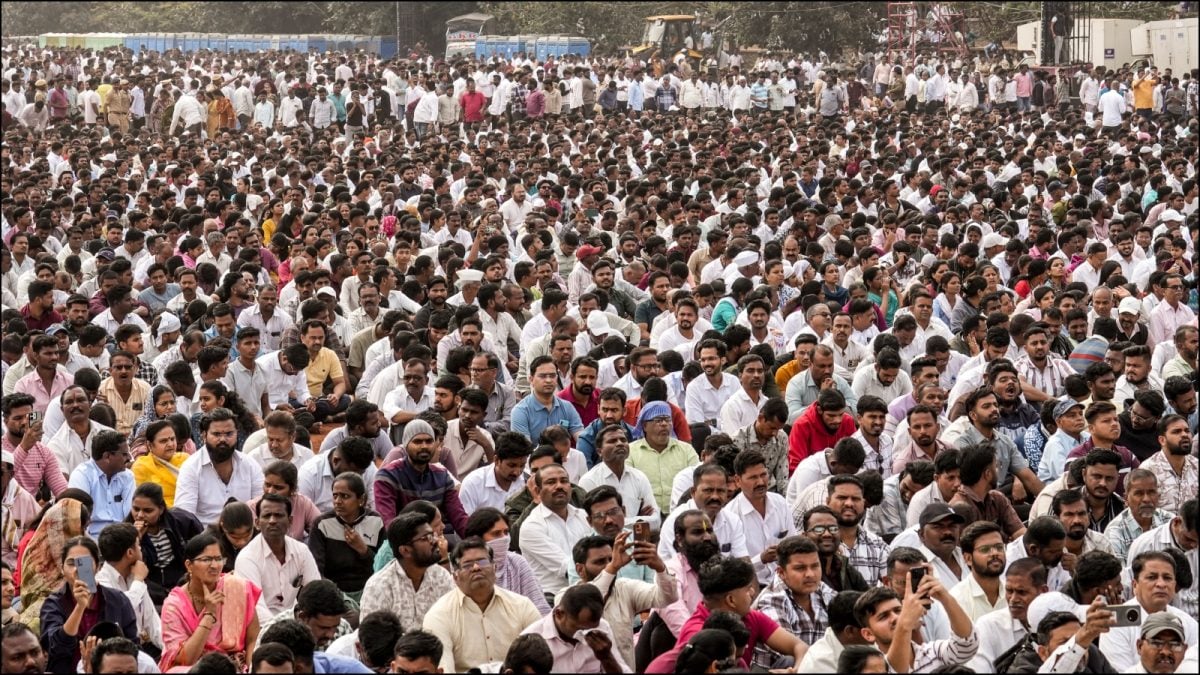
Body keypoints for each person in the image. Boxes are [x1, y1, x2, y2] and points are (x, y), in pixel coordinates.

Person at [422, 537, 542, 672]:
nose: (476, 568)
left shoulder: (522, 606)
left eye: (482, 561)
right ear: (455, 577)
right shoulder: (440, 615)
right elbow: (445, 669)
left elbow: (540, 659)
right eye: (467, 565)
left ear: (495, 569)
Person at [158, 531, 262, 671]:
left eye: (218, 559)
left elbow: (252, 639)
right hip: (196, 669)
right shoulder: (173, 605)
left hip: (237, 666)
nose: (214, 565)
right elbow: (185, 659)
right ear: (189, 565)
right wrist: (209, 615)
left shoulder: (236, 587)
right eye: (207, 559)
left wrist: (250, 669)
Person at [40, 536, 139, 673]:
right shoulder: (53, 604)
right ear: (62, 570)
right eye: (70, 563)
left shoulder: (117, 600)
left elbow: (133, 645)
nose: (77, 569)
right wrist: (80, 607)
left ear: (97, 567)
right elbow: (55, 649)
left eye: (83, 563)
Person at [358, 511, 455, 631]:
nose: (435, 541)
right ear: (405, 551)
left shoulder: (441, 577)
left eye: (433, 535)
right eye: (426, 538)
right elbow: (372, 639)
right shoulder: (379, 586)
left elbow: (454, 624)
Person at [234, 493, 321, 623]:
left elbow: (316, 591)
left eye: (279, 515)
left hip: (296, 622)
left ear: (290, 521)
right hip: (261, 629)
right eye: (267, 516)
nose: (272, 520)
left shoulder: (301, 551)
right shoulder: (247, 558)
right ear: (257, 523)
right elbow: (257, 609)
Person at [519, 583, 631, 672]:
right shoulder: (533, 639)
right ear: (559, 614)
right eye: (580, 628)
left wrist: (607, 658)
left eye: (592, 628)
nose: (587, 634)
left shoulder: (601, 627)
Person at [308, 472, 384, 601]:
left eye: (345, 496)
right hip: (333, 592)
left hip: (369, 589)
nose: (338, 501)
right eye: (335, 496)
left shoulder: (376, 522)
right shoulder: (322, 524)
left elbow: (383, 567)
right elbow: (316, 568)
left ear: (361, 500)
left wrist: (363, 550)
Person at [68, 429, 134, 537]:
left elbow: (130, 515)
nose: (130, 458)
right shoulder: (82, 475)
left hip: (121, 538)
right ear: (107, 456)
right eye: (124, 454)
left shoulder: (127, 476)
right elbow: (77, 521)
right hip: (91, 540)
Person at [130, 419, 189, 507]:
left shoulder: (185, 459)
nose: (170, 444)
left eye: (172, 439)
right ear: (150, 445)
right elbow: (141, 503)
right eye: (163, 441)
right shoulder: (141, 466)